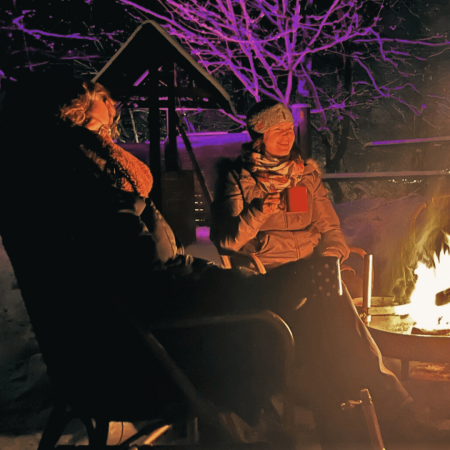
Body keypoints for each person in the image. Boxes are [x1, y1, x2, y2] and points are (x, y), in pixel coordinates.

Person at [0, 74, 411, 449]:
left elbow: (153, 273)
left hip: (137, 343)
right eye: (99, 128)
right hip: (160, 353)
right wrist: (242, 271)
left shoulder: (52, 188)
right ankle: (380, 426)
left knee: (321, 294)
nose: (111, 138)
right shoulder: (90, 186)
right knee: (320, 302)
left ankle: (371, 422)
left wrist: (328, 251)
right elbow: (162, 279)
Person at [210, 99, 349, 271]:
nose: (287, 136)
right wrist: (258, 212)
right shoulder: (238, 178)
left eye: (289, 129)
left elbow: (330, 228)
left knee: (355, 287)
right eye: (278, 129)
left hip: (310, 267)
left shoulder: (305, 175)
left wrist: (333, 253)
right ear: (260, 136)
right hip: (265, 270)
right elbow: (227, 242)